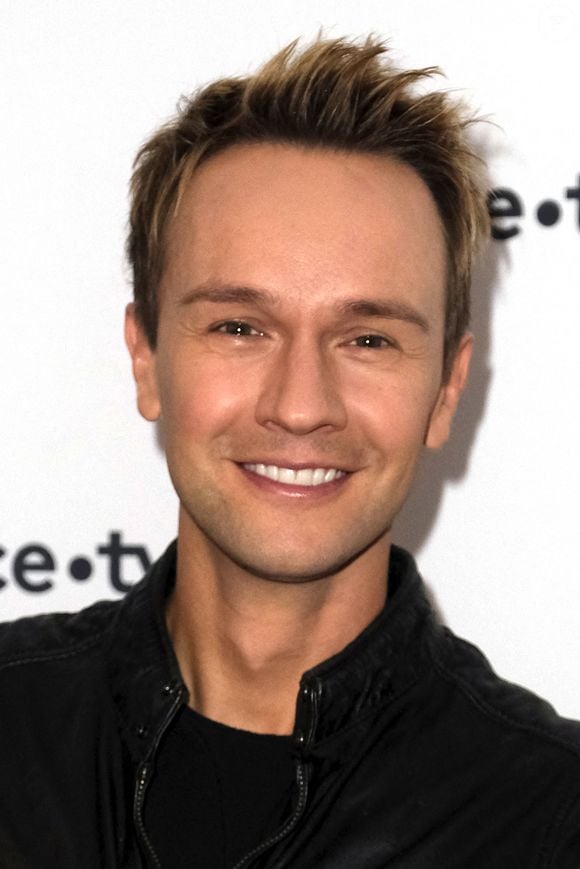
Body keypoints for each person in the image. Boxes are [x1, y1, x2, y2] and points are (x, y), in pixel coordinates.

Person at [1, 35, 579, 869]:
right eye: (240, 327)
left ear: (447, 388)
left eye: (368, 338)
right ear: (146, 358)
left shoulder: (550, 819)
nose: (301, 406)